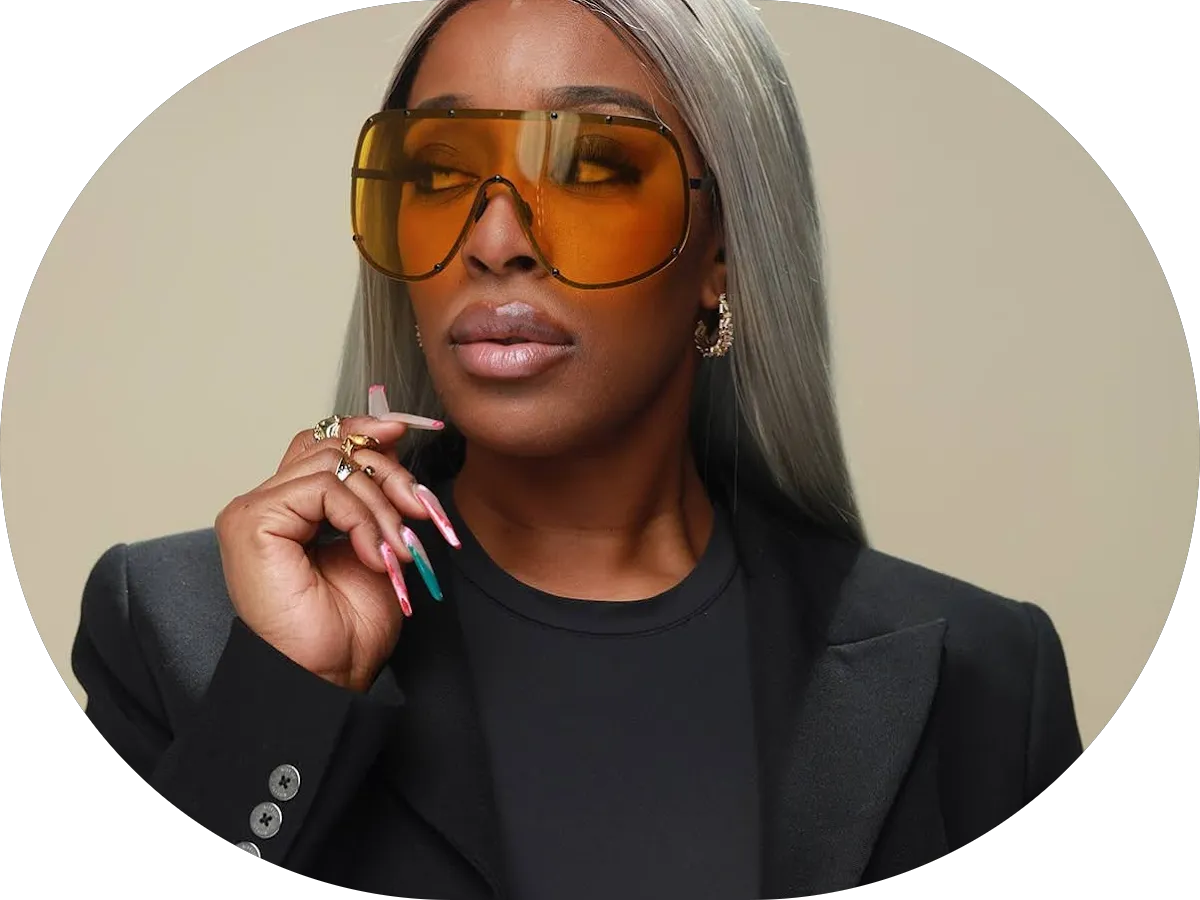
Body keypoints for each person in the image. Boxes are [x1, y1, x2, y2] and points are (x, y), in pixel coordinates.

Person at [70, 1, 1084, 897]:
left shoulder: (981, 675)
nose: (494, 239)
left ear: (723, 251)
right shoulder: (176, 626)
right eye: (439, 171)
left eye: (593, 165)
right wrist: (290, 700)